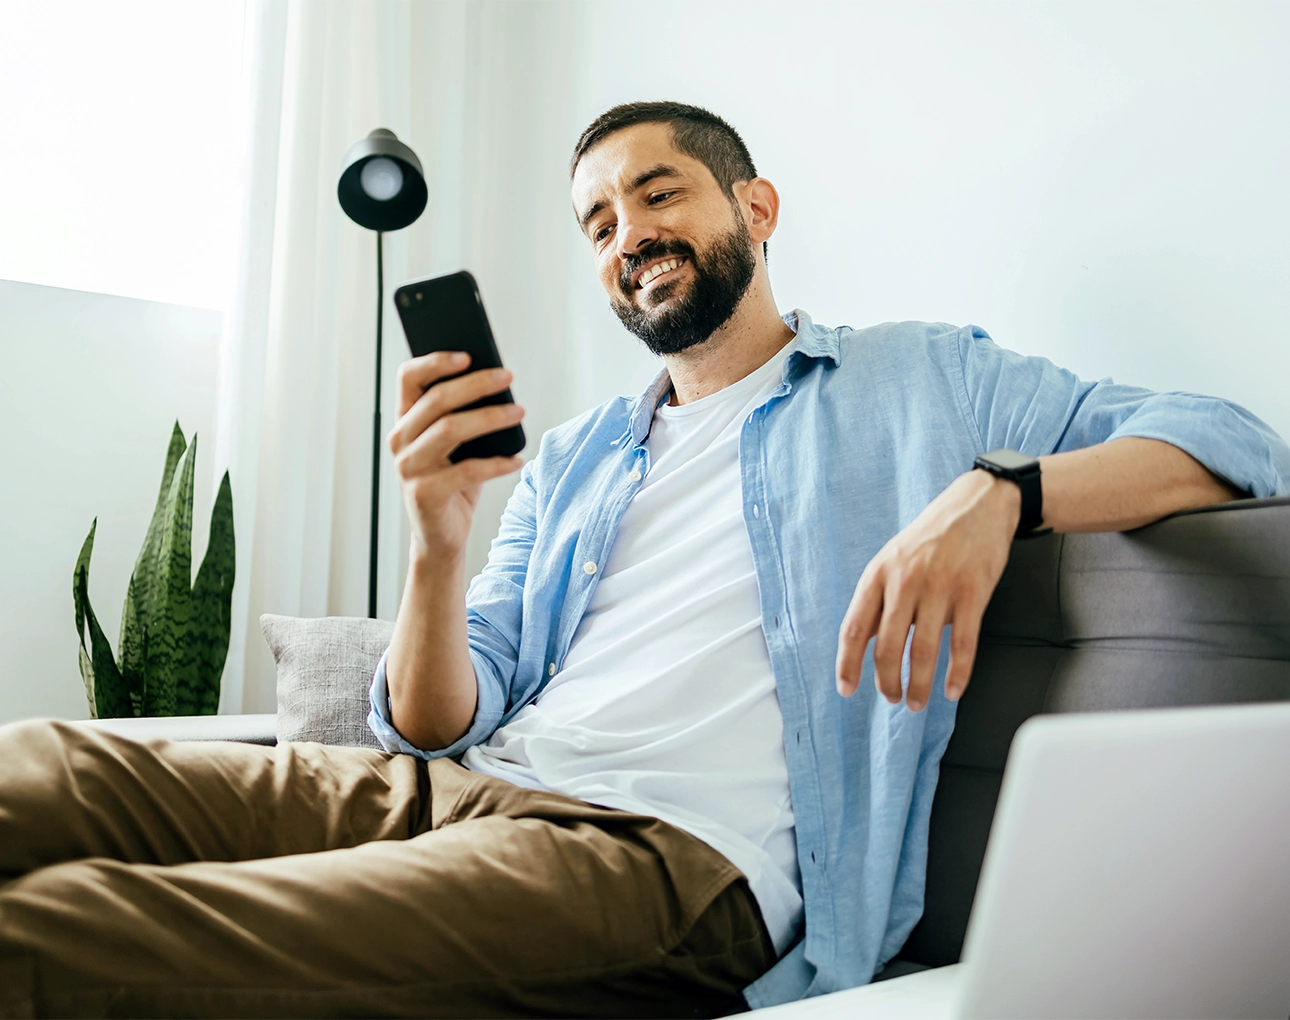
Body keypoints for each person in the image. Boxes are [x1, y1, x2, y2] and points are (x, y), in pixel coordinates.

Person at [2, 102, 1286, 1019]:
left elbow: (1233, 438)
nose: (628, 232)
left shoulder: (923, 378)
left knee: (61, 930)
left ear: (755, 206)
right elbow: (441, 718)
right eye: (598, 219)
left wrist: (1002, 492)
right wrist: (438, 549)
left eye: (659, 191)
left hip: (664, 860)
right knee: (37, 768)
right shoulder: (573, 457)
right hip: (456, 790)